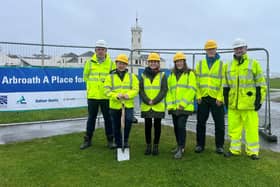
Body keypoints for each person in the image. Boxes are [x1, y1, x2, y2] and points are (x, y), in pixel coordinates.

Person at [223, 38, 267, 160]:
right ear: (234, 50)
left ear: (246, 48)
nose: (239, 50)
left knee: (251, 129)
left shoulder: (254, 64)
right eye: (236, 48)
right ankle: (234, 150)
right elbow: (225, 85)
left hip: (249, 104)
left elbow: (261, 84)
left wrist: (259, 101)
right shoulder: (228, 65)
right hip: (233, 105)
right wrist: (226, 100)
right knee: (234, 129)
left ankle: (253, 152)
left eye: (241, 48)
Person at [80, 40, 116, 150]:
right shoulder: (89, 63)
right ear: (95, 50)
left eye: (102, 49)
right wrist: (92, 88)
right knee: (91, 118)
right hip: (93, 96)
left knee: (108, 119)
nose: (100, 51)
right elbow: (85, 77)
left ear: (106, 51)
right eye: (98, 49)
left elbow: (114, 79)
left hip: (106, 96)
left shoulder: (111, 63)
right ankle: (88, 140)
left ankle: (110, 141)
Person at [194, 40, 225, 154]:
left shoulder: (222, 64)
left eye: (213, 49)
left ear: (216, 49)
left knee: (219, 123)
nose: (211, 51)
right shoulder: (200, 64)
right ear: (205, 50)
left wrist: (220, 97)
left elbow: (224, 83)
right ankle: (200, 145)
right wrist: (198, 95)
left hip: (217, 98)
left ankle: (219, 146)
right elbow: (195, 82)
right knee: (200, 122)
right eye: (209, 49)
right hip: (203, 97)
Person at [104, 54, 139, 148]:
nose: (121, 65)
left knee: (128, 120)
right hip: (115, 105)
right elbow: (106, 90)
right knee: (115, 125)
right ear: (116, 63)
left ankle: (125, 140)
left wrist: (129, 95)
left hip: (127, 105)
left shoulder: (132, 76)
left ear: (126, 65)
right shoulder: (110, 77)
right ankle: (118, 142)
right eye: (119, 63)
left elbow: (136, 89)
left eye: (123, 63)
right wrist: (116, 95)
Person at [166, 52, 197, 159]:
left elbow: (192, 89)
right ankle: (178, 145)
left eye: (181, 61)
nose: (179, 63)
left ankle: (181, 148)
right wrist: (170, 105)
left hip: (185, 107)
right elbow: (169, 91)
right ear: (175, 63)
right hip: (174, 107)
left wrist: (183, 104)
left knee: (180, 126)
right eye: (177, 61)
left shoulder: (190, 73)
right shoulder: (171, 75)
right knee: (176, 127)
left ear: (184, 62)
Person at [139, 52, 168, 156]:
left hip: (158, 105)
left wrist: (154, 101)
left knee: (157, 126)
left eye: (155, 61)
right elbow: (141, 90)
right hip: (147, 105)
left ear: (158, 63)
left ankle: (155, 146)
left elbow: (164, 90)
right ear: (148, 62)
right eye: (151, 61)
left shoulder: (162, 75)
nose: (153, 63)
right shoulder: (143, 75)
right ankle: (148, 146)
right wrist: (147, 100)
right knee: (147, 126)